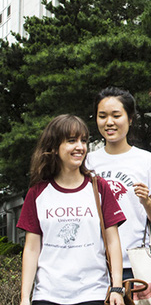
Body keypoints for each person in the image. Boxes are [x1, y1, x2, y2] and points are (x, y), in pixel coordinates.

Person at [18, 114, 127, 305]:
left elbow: (113, 241)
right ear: (53, 147)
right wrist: (25, 298)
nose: (80, 147)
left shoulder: (99, 187)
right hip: (47, 295)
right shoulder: (38, 192)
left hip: (93, 293)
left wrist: (117, 287)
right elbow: (32, 248)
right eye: (71, 141)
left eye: (83, 140)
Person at [85, 87, 151, 280]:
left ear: (130, 119)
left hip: (134, 264)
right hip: (93, 264)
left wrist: (146, 201)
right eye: (102, 116)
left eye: (116, 115)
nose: (109, 122)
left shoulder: (147, 161)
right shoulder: (86, 162)